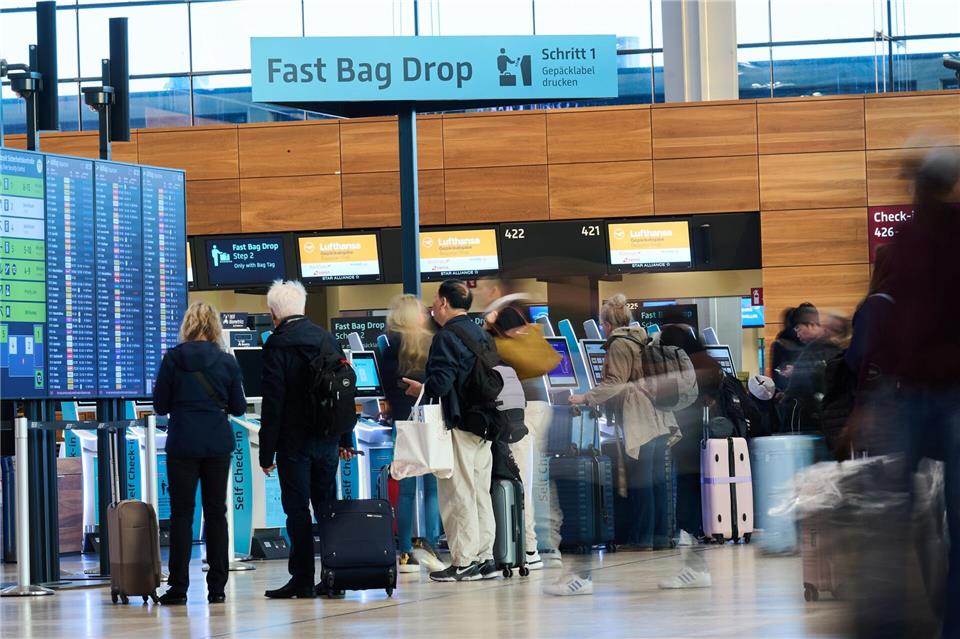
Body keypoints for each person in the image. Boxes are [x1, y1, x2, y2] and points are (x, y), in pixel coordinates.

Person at [258, 280, 356, 599]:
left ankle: (301, 578)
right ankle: (333, 576)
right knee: (326, 507)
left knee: (297, 510)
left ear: (275, 314)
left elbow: (274, 402)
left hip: (293, 442)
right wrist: (346, 439)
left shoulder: (277, 344)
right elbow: (344, 392)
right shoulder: (327, 339)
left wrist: (266, 451)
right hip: (328, 439)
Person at [402, 280, 498, 582]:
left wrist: (422, 387)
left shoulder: (446, 336)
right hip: (484, 423)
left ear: (444, 303)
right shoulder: (479, 333)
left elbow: (442, 383)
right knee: (480, 491)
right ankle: (485, 557)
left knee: (458, 493)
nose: (432, 305)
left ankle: (463, 560)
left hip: (459, 423)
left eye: (434, 299)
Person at [152, 302, 246, 605]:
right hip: (217, 443)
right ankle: (217, 588)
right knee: (216, 513)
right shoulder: (227, 361)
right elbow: (239, 407)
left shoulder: (172, 359)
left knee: (182, 515)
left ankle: (178, 587)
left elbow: (160, 406)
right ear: (215, 327)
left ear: (188, 326)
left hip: (182, 443)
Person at [569, 294, 679, 551]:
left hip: (640, 419)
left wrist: (586, 397)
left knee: (641, 483)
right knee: (656, 482)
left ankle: (641, 539)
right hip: (660, 416)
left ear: (607, 323)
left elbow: (615, 382)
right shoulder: (641, 338)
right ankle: (661, 538)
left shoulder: (619, 343)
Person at [483, 297, 561, 571]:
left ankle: (529, 548)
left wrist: (487, 325)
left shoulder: (505, 345)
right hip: (541, 409)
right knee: (533, 480)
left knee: (521, 481)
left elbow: (484, 351)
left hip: (522, 415)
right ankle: (538, 544)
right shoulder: (533, 335)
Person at [380, 294, 442, 573]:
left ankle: (405, 551)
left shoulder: (390, 346)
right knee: (431, 487)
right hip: (431, 419)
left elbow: (388, 389)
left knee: (405, 488)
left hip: (403, 423)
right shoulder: (435, 342)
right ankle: (431, 544)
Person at [658, 323, 723, 543]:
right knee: (698, 478)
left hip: (684, 424)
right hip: (702, 425)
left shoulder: (678, 361)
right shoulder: (703, 358)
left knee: (686, 478)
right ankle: (705, 524)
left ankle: (686, 526)